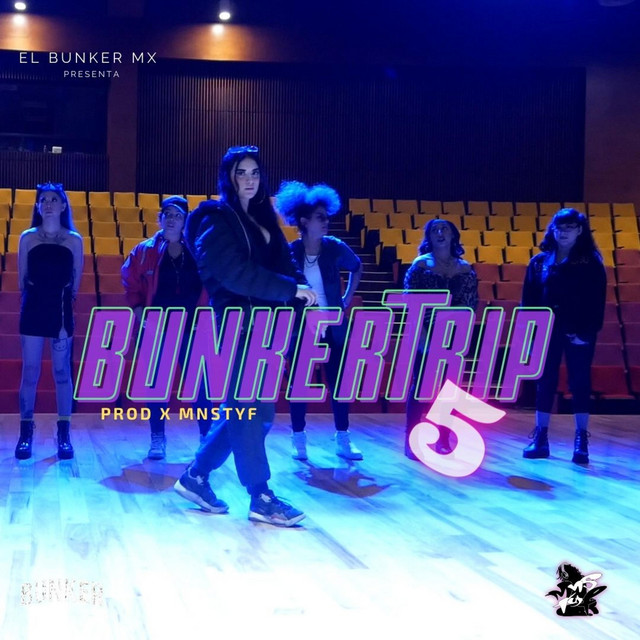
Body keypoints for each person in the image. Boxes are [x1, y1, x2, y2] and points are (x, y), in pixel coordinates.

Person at [174, 145, 317, 527]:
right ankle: (260, 495)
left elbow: (286, 265)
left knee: (253, 412)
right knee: (249, 412)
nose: (249, 179)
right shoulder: (215, 220)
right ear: (229, 177)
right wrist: (290, 289)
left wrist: (299, 289)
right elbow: (234, 274)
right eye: (242, 172)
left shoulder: (263, 219)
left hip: (268, 326)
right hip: (237, 326)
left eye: (255, 172)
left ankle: (196, 477)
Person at [275, 180, 363, 461]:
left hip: (333, 326)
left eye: (326, 217)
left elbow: (356, 266)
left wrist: (347, 298)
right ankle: (298, 438)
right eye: (320, 217)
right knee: (299, 384)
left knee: (339, 383)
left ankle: (343, 438)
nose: (326, 222)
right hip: (302, 328)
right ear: (304, 221)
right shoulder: (291, 251)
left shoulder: (335, 247)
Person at [121, 196, 211, 460]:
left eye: (178, 215)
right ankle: (157, 437)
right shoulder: (144, 251)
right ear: (160, 219)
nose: (172, 219)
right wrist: (139, 312)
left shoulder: (198, 250)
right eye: (167, 214)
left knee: (199, 385)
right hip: (157, 329)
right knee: (157, 385)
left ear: (185, 221)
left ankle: (206, 438)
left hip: (192, 328)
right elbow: (130, 284)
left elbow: (212, 284)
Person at [521, 208, 606, 464]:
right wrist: (531, 336)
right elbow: (528, 303)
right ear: (553, 230)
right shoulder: (539, 262)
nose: (564, 232)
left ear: (580, 231)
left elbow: (597, 301)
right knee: (544, 382)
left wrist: (586, 332)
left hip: (578, 331)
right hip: (547, 331)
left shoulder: (591, 261)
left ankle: (581, 440)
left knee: (579, 383)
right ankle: (541, 437)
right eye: (560, 227)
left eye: (570, 227)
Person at [15, 183, 83, 460]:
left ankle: (64, 434)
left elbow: (75, 283)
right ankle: (25, 433)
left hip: (61, 311)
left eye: (54, 199)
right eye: (43, 199)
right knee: (30, 371)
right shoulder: (27, 238)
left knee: (62, 372)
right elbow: (22, 280)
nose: (49, 204)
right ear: (38, 206)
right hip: (33, 308)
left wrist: (61, 303)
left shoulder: (74, 240)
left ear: (63, 205)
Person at [403, 219, 478, 459]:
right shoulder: (420, 265)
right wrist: (423, 337)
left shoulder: (465, 268)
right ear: (429, 238)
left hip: (454, 335)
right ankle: (411, 440)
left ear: (453, 235)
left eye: (444, 228)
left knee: (450, 389)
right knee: (420, 387)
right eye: (434, 230)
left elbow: (471, 304)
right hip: (426, 333)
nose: (439, 232)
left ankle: (443, 438)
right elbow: (411, 303)